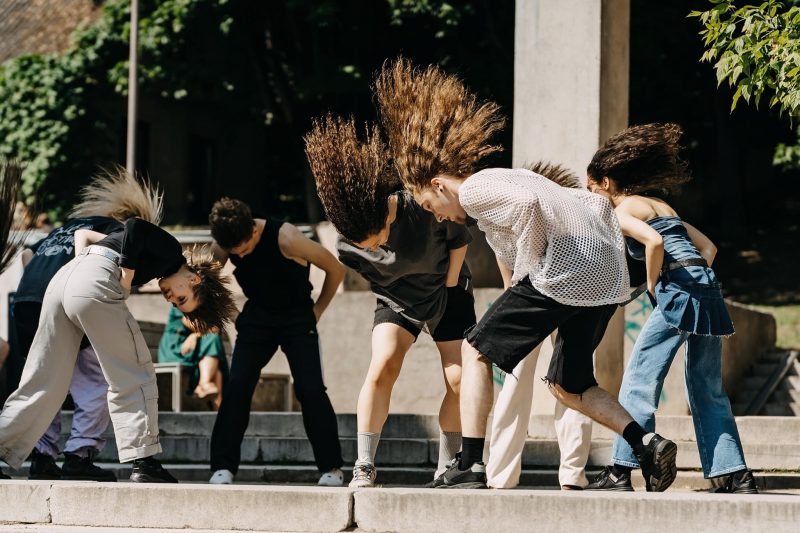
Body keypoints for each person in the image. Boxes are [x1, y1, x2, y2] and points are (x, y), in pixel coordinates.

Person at [374, 59, 679, 491]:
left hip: (566, 272)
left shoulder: (477, 188)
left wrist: (533, 269)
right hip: (606, 279)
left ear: (440, 184)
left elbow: (529, 212)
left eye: (429, 205)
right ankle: (647, 443)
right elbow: (526, 238)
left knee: (474, 349)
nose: (437, 216)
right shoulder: (507, 183)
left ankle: (472, 464)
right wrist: (515, 285)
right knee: (570, 385)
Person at [584, 123, 757, 494]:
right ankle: (735, 474)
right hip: (707, 293)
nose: (591, 196)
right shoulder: (663, 205)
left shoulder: (624, 208)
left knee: (639, 379)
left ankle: (620, 469)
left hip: (677, 293)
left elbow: (653, 241)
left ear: (608, 182)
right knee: (707, 386)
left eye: (591, 188)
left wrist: (653, 284)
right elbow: (708, 249)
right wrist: (694, 279)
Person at [0, 213, 236, 483]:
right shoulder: (171, 250)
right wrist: (126, 276)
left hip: (63, 281)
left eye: (175, 304)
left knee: (42, 379)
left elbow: (88, 239)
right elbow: (135, 224)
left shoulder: (155, 263)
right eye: (181, 297)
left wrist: (82, 271)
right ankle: (144, 461)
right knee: (135, 372)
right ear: (194, 279)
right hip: (93, 278)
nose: (171, 298)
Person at [305, 115, 475, 487]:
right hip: (397, 301)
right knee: (382, 366)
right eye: (368, 249)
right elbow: (376, 277)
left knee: (460, 379)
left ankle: (449, 467)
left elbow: (459, 240)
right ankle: (364, 465)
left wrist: (447, 287)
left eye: (379, 240)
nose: (377, 249)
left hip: (447, 288)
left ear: (384, 215)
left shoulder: (422, 207)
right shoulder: (348, 246)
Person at [10, 169, 161, 481]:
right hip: (68, 299)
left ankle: (42, 455)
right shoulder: (115, 228)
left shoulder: (65, 227)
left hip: (26, 298)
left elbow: (27, 254)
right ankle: (80, 454)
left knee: (46, 378)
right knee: (95, 379)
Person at [207, 198, 345, 487]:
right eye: (234, 253)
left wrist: (317, 311)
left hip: (297, 317)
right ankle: (222, 467)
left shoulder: (287, 237)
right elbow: (209, 281)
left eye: (243, 250)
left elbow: (335, 269)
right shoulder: (224, 244)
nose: (239, 256)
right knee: (237, 386)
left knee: (310, 389)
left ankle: (331, 468)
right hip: (257, 318)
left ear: (254, 233)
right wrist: (234, 314)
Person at [486, 162, 594, 491]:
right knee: (562, 378)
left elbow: (510, 278)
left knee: (538, 382)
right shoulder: (517, 225)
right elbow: (509, 278)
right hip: (545, 298)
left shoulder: (542, 220)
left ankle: (503, 474)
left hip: (550, 298)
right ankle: (570, 474)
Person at [158, 307, 228, 410]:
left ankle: (206, 389)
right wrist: (197, 334)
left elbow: (216, 327)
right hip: (175, 350)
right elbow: (197, 325)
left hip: (191, 349)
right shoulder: (180, 301)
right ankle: (208, 391)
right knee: (213, 345)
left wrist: (195, 335)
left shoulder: (201, 303)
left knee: (214, 358)